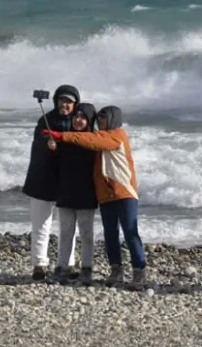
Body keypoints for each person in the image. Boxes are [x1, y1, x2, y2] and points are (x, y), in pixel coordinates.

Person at [43, 105, 146, 288]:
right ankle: (116, 270)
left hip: (124, 193)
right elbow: (86, 144)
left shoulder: (116, 135)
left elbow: (93, 139)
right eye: (98, 119)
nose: (100, 122)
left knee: (130, 232)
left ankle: (139, 271)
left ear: (114, 119)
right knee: (110, 234)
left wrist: (62, 135)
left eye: (104, 118)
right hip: (105, 195)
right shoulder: (98, 139)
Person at [21, 84, 80, 281]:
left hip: (68, 181)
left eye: (69, 102)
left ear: (75, 104)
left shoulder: (78, 122)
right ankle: (40, 264)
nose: (65, 104)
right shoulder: (45, 121)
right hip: (43, 179)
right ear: (56, 101)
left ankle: (68, 263)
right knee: (41, 223)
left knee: (68, 225)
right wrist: (48, 145)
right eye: (62, 100)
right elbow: (38, 144)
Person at [53, 102, 99, 285]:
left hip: (86, 194)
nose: (78, 120)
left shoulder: (94, 141)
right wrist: (53, 147)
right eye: (76, 117)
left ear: (89, 121)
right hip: (65, 192)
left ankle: (87, 267)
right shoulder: (65, 139)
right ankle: (63, 266)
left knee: (87, 233)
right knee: (65, 232)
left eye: (82, 117)